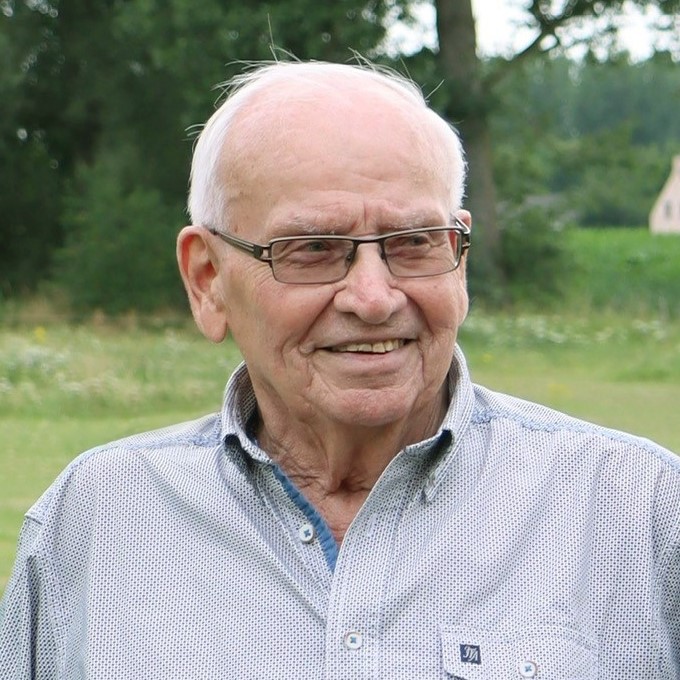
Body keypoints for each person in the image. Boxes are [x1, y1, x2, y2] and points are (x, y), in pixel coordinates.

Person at [1, 60, 678, 679]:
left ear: (460, 258)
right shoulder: (97, 521)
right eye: (314, 249)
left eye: (413, 243)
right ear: (207, 280)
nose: (374, 298)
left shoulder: (636, 512)